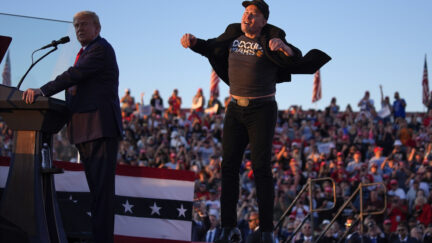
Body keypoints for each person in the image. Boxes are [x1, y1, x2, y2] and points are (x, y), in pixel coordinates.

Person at [181, 1, 330, 242]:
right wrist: (195, 43)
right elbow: (212, 47)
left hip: (262, 109)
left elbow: (296, 57)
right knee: (228, 166)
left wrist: (283, 47)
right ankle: (229, 227)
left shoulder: (273, 35)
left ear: (263, 21)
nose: (247, 16)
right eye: (246, 12)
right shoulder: (233, 33)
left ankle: (267, 231)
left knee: (261, 168)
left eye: (254, 14)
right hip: (235, 109)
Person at [22, 11, 122, 243]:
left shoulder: (100, 49)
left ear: (97, 28)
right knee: (97, 193)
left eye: (84, 24)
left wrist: (42, 91)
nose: (79, 29)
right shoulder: (85, 52)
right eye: (76, 25)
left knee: (102, 194)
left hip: (99, 129)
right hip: (86, 130)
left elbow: (74, 75)